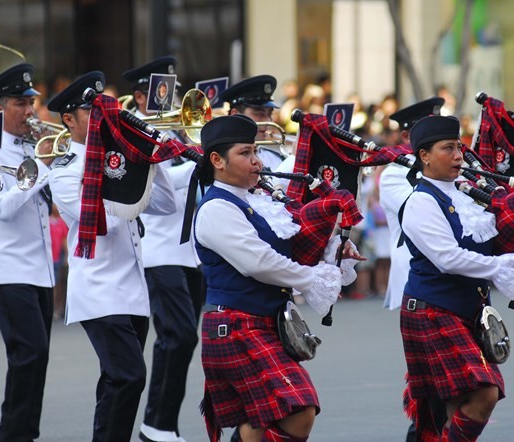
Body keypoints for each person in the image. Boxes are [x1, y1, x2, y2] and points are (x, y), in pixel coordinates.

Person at [193, 114, 358, 442]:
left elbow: (290, 247)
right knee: (299, 408)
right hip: (236, 326)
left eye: (255, 152)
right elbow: (258, 262)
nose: (256, 161)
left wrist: (333, 249)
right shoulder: (216, 208)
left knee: (264, 421)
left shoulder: (255, 204)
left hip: (263, 323)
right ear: (217, 160)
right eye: (245, 153)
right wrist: (311, 279)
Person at [399, 115, 514, 441]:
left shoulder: (467, 194)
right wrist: (508, 265)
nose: (458, 155)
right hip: (432, 308)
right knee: (485, 391)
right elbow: (447, 258)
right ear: (424, 156)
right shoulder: (420, 201)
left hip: (466, 310)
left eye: (458, 147)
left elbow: (493, 241)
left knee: (461, 405)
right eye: (448, 148)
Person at [48, 71, 177, 441]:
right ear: (69, 120)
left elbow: (166, 205)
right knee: (128, 376)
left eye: (104, 109)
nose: (101, 117)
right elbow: (103, 216)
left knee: (116, 382)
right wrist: (129, 160)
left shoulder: (119, 159)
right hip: (100, 290)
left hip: (132, 291)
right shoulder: (65, 171)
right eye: (91, 111)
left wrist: (151, 156)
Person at [123, 56, 201, 442]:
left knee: (185, 339)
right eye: (162, 90)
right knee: (178, 336)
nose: (170, 98)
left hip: (189, 251)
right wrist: (201, 161)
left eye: (171, 88)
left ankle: (164, 424)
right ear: (141, 96)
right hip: (157, 249)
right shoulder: (134, 132)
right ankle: (155, 424)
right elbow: (157, 182)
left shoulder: (181, 132)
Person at [0, 63, 56, 441]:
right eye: (20, 103)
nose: (30, 111)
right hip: (9, 271)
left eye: (31, 102)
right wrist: (42, 166)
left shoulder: (31, 145)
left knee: (35, 361)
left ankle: (24, 434)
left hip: (38, 270)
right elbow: (2, 209)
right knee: (29, 356)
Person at [378, 97, 448, 441]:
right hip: (417, 280)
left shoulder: (452, 168)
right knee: (430, 380)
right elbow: (423, 211)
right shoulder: (394, 174)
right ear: (408, 136)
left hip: (454, 277)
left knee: (458, 379)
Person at [218, 75, 287, 171]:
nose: (268, 121)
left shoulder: (276, 158)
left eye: (270, 114)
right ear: (236, 115)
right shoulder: (222, 159)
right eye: (259, 113)